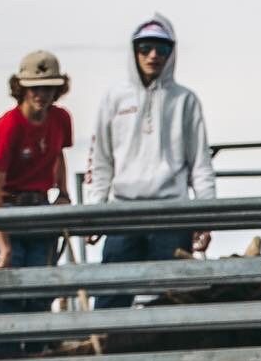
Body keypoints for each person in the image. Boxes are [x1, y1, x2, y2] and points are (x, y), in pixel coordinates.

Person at [87, 16, 216, 307]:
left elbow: (200, 164)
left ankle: (169, 350)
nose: (153, 55)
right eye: (145, 48)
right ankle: (105, 346)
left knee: (171, 295)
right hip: (123, 211)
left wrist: (207, 217)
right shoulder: (114, 98)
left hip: (173, 211)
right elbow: (102, 160)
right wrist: (95, 212)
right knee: (111, 293)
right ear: (134, 51)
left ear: (172, 53)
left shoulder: (185, 100)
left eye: (162, 48)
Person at [0, 50, 72, 314]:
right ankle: (9, 353)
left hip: (41, 209)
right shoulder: (7, 127)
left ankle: (40, 350)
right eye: (34, 88)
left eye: (47, 88)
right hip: (9, 212)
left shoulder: (60, 119)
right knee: (10, 292)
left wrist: (64, 193)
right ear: (21, 88)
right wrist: (3, 246)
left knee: (42, 291)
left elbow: (58, 155)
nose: (40, 95)